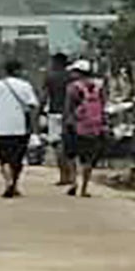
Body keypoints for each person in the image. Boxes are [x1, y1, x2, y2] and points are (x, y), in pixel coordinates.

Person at [0, 53, 42, 197]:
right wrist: (33, 127)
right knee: (17, 159)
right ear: (19, 71)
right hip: (20, 129)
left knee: (3, 158)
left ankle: (8, 182)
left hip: (1, 128)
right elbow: (33, 106)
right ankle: (14, 183)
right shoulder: (25, 86)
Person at [65, 57, 110, 195]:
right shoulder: (99, 86)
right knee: (88, 159)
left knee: (71, 155)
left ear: (79, 72)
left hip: (76, 125)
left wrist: (67, 122)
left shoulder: (73, 87)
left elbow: (68, 107)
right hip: (94, 126)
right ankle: (84, 188)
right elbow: (103, 105)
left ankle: (73, 181)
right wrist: (104, 123)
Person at [40, 50, 75, 191]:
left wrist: (40, 111)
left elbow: (44, 96)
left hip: (55, 114)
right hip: (71, 114)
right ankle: (71, 175)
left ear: (55, 63)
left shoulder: (50, 77)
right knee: (69, 145)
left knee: (57, 145)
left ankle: (63, 176)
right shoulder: (72, 77)